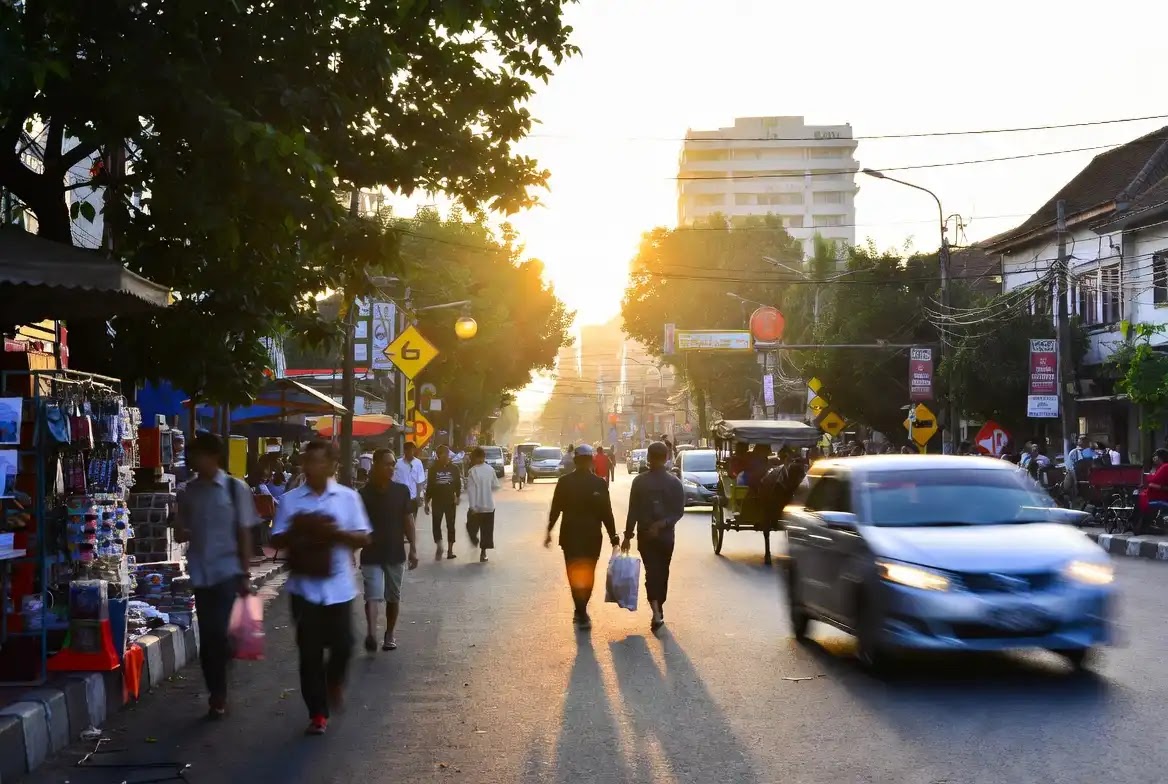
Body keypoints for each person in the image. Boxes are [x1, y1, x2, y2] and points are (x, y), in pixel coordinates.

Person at [270, 440, 371, 736]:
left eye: (319, 461)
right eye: (308, 461)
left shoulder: (348, 498)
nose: (312, 467)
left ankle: (334, 680)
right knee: (309, 653)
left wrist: (334, 532)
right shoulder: (290, 500)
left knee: (344, 645)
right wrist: (300, 528)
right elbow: (275, 539)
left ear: (332, 465)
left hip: (339, 586)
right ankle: (317, 713)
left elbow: (364, 537)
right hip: (304, 588)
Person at [174, 432, 261, 719]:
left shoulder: (236, 489)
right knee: (210, 637)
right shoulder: (188, 491)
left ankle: (220, 685)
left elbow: (245, 532)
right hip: (201, 573)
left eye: (197, 455)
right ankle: (217, 692)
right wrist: (181, 527)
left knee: (220, 634)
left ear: (213, 456)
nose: (193, 461)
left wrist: (245, 573)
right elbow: (180, 531)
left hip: (228, 572)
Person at [545, 445, 618, 630]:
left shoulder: (565, 482)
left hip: (571, 536)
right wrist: (613, 536)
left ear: (575, 461)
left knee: (574, 572)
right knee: (588, 572)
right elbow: (607, 513)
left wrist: (549, 531)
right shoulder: (598, 484)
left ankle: (580, 610)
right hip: (590, 536)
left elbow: (555, 510)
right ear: (590, 461)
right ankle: (581, 610)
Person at [359, 449, 418, 654]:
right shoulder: (363, 494)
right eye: (386, 464)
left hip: (395, 552)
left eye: (393, 464)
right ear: (375, 465)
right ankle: (371, 632)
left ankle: (389, 633)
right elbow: (356, 525)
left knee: (393, 597)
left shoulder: (401, 491)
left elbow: (408, 520)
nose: (391, 468)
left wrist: (413, 548)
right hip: (371, 553)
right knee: (372, 596)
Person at [622, 441, 684, 631]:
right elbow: (678, 512)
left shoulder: (639, 482)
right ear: (667, 458)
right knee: (662, 572)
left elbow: (632, 511)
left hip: (645, 535)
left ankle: (656, 609)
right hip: (666, 537)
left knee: (652, 572)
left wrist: (627, 536)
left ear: (648, 458)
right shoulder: (674, 482)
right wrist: (663, 524)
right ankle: (658, 609)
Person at [425, 445, 462, 560]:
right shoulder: (433, 469)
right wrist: (426, 502)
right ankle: (439, 544)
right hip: (437, 501)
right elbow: (429, 487)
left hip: (450, 501)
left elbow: (458, 484)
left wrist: (458, 496)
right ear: (438, 456)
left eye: (448, 455)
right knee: (436, 524)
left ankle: (450, 551)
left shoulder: (454, 468)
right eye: (444, 455)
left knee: (451, 525)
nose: (447, 457)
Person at [465, 446, 501, 563]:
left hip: (477, 507)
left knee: (471, 526)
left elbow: (471, 490)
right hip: (489, 506)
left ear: (474, 458)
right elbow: (496, 486)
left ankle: (474, 539)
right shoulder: (490, 470)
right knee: (486, 531)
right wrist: (487, 488)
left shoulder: (472, 471)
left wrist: (472, 506)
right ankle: (483, 553)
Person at [393, 441, 427, 513]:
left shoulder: (418, 463)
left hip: (413, 498)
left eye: (411, 449)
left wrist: (418, 496)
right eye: (407, 449)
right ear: (404, 450)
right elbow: (393, 480)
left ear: (414, 450)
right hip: (400, 498)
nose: (409, 451)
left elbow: (420, 481)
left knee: (412, 518)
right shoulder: (398, 463)